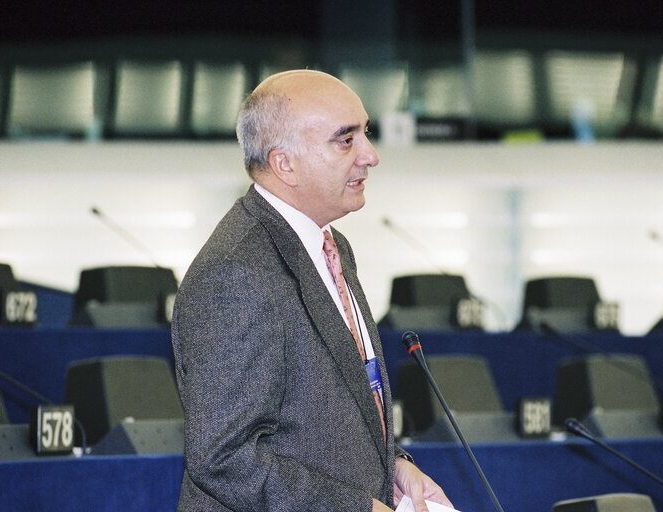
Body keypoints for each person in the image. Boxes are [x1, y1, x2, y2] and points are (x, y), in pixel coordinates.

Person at [171, 69, 452, 512]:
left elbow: (331, 412)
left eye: (366, 133)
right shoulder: (236, 272)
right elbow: (224, 457)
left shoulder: (332, 245)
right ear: (285, 164)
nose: (371, 155)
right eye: (346, 140)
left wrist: (392, 467)